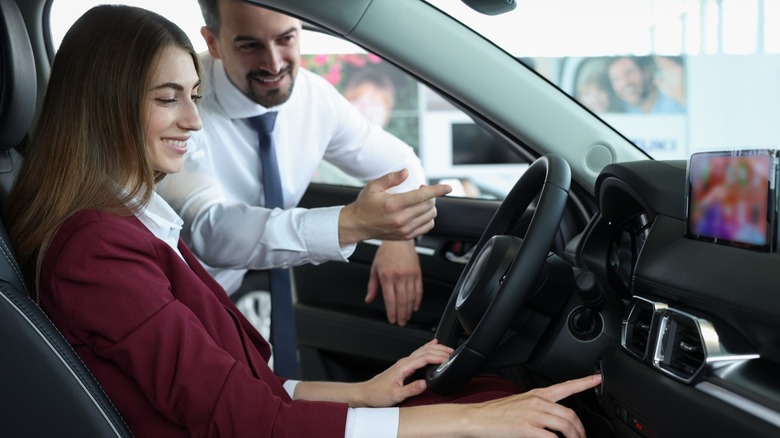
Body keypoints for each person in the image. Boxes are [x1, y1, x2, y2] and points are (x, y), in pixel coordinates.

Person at [6, 5, 601, 437]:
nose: (193, 119)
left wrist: (363, 393)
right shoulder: (101, 248)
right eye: (168, 99)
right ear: (104, 103)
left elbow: (236, 389)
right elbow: (219, 236)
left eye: (191, 94)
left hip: (243, 410)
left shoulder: (132, 221)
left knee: (497, 395)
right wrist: (470, 422)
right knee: (501, 408)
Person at [156, 0, 433, 328]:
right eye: (250, 45)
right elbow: (213, 231)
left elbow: (401, 163)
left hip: (226, 300)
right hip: (166, 303)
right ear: (213, 43)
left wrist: (398, 239)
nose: (273, 64)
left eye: (285, 39)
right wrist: (354, 223)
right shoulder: (184, 103)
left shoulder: (315, 99)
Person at [606, 55, 685, 114]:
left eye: (629, 73)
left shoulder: (674, 100)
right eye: (616, 79)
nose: (624, 83)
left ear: (645, 72)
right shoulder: (622, 111)